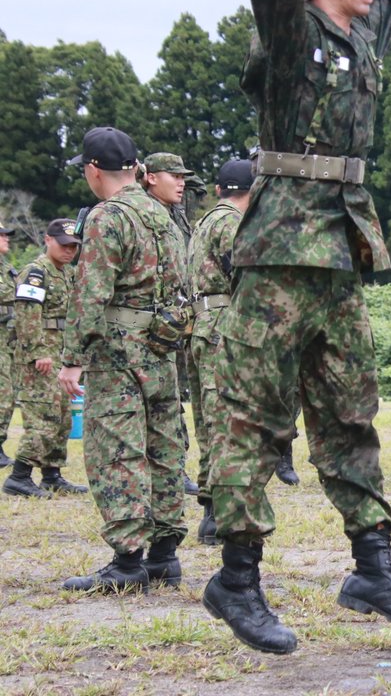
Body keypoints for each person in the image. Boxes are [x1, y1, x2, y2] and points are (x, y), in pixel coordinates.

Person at [203, 0, 391, 656]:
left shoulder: (364, 34)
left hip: (340, 247)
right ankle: (236, 580)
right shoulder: (284, 28)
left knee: (351, 413)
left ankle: (373, 569)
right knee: (254, 417)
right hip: (280, 248)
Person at [58, 126, 189, 594]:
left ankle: (128, 560)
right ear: (136, 169)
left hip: (117, 350)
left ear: (94, 170)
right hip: (161, 347)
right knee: (164, 446)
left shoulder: (105, 217)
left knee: (116, 449)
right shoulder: (162, 214)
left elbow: (90, 292)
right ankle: (164, 556)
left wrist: (72, 359)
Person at [188, 158, 254, 545]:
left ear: (219, 189)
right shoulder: (232, 223)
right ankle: (218, 512)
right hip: (225, 326)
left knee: (209, 419)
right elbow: (242, 275)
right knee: (226, 418)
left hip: (203, 324)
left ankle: (212, 504)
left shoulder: (204, 221)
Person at [2, 219, 88, 498]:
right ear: (48, 240)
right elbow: (27, 314)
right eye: (64, 245)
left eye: (74, 246)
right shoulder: (36, 272)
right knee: (44, 416)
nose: (69, 251)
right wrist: (37, 351)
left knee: (63, 416)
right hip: (39, 356)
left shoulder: (68, 273)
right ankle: (19, 476)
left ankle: (52, 474)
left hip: (61, 353)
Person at [141, 153, 203, 498]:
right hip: (144, 327)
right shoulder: (136, 214)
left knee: (172, 401)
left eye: (184, 177)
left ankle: (172, 468)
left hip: (174, 325)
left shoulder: (175, 215)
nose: (181, 183)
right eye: (174, 176)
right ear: (150, 177)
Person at [0, 220, 17, 468]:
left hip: (8, 341)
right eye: (1, 235)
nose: (6, 238)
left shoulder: (8, 269)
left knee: (7, 394)